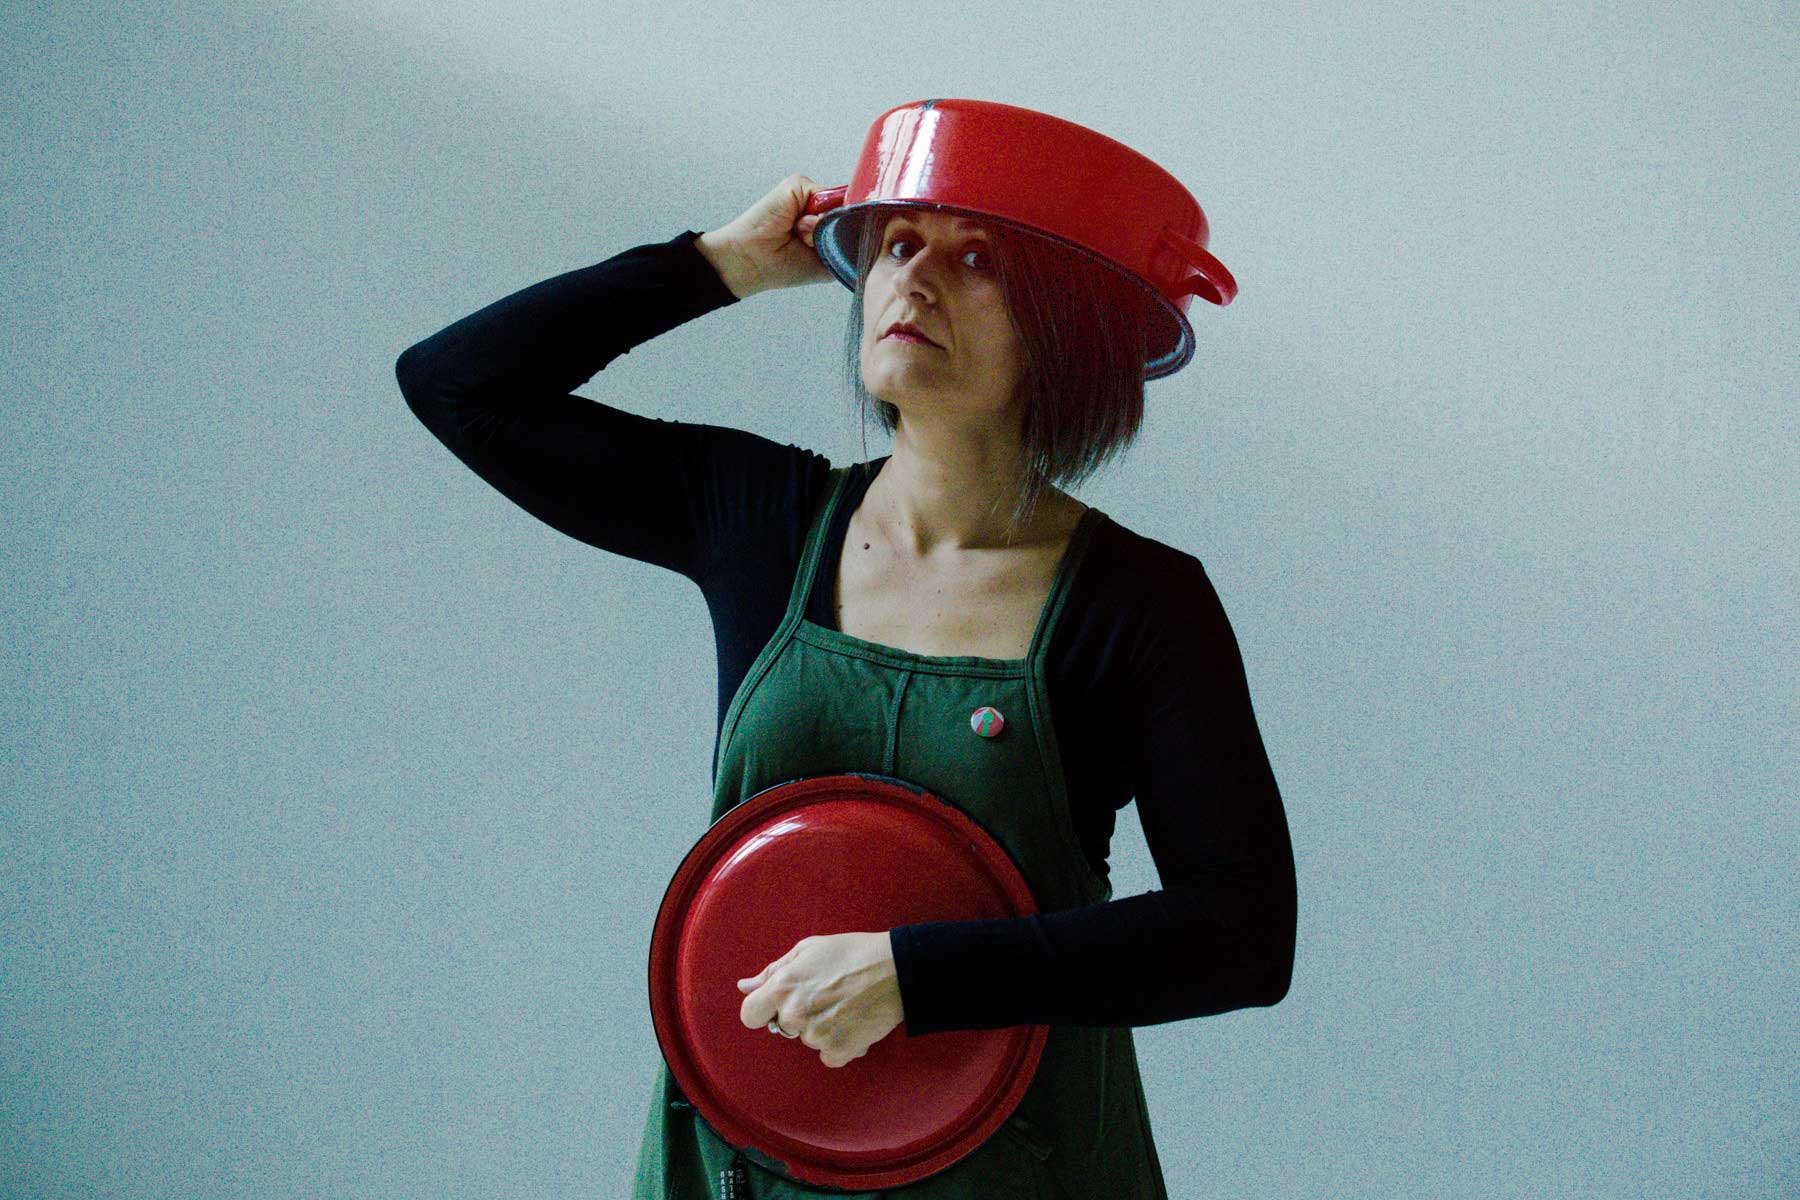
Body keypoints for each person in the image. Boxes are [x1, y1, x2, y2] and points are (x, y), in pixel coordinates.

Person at [396, 172, 1297, 1199]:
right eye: (897, 245)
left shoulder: (1141, 604)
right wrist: (721, 265)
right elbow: (454, 385)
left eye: (977, 258)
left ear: (1068, 330)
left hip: (1020, 1168)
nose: (914, 279)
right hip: (739, 1162)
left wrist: (917, 976)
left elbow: (1243, 935)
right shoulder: (762, 519)